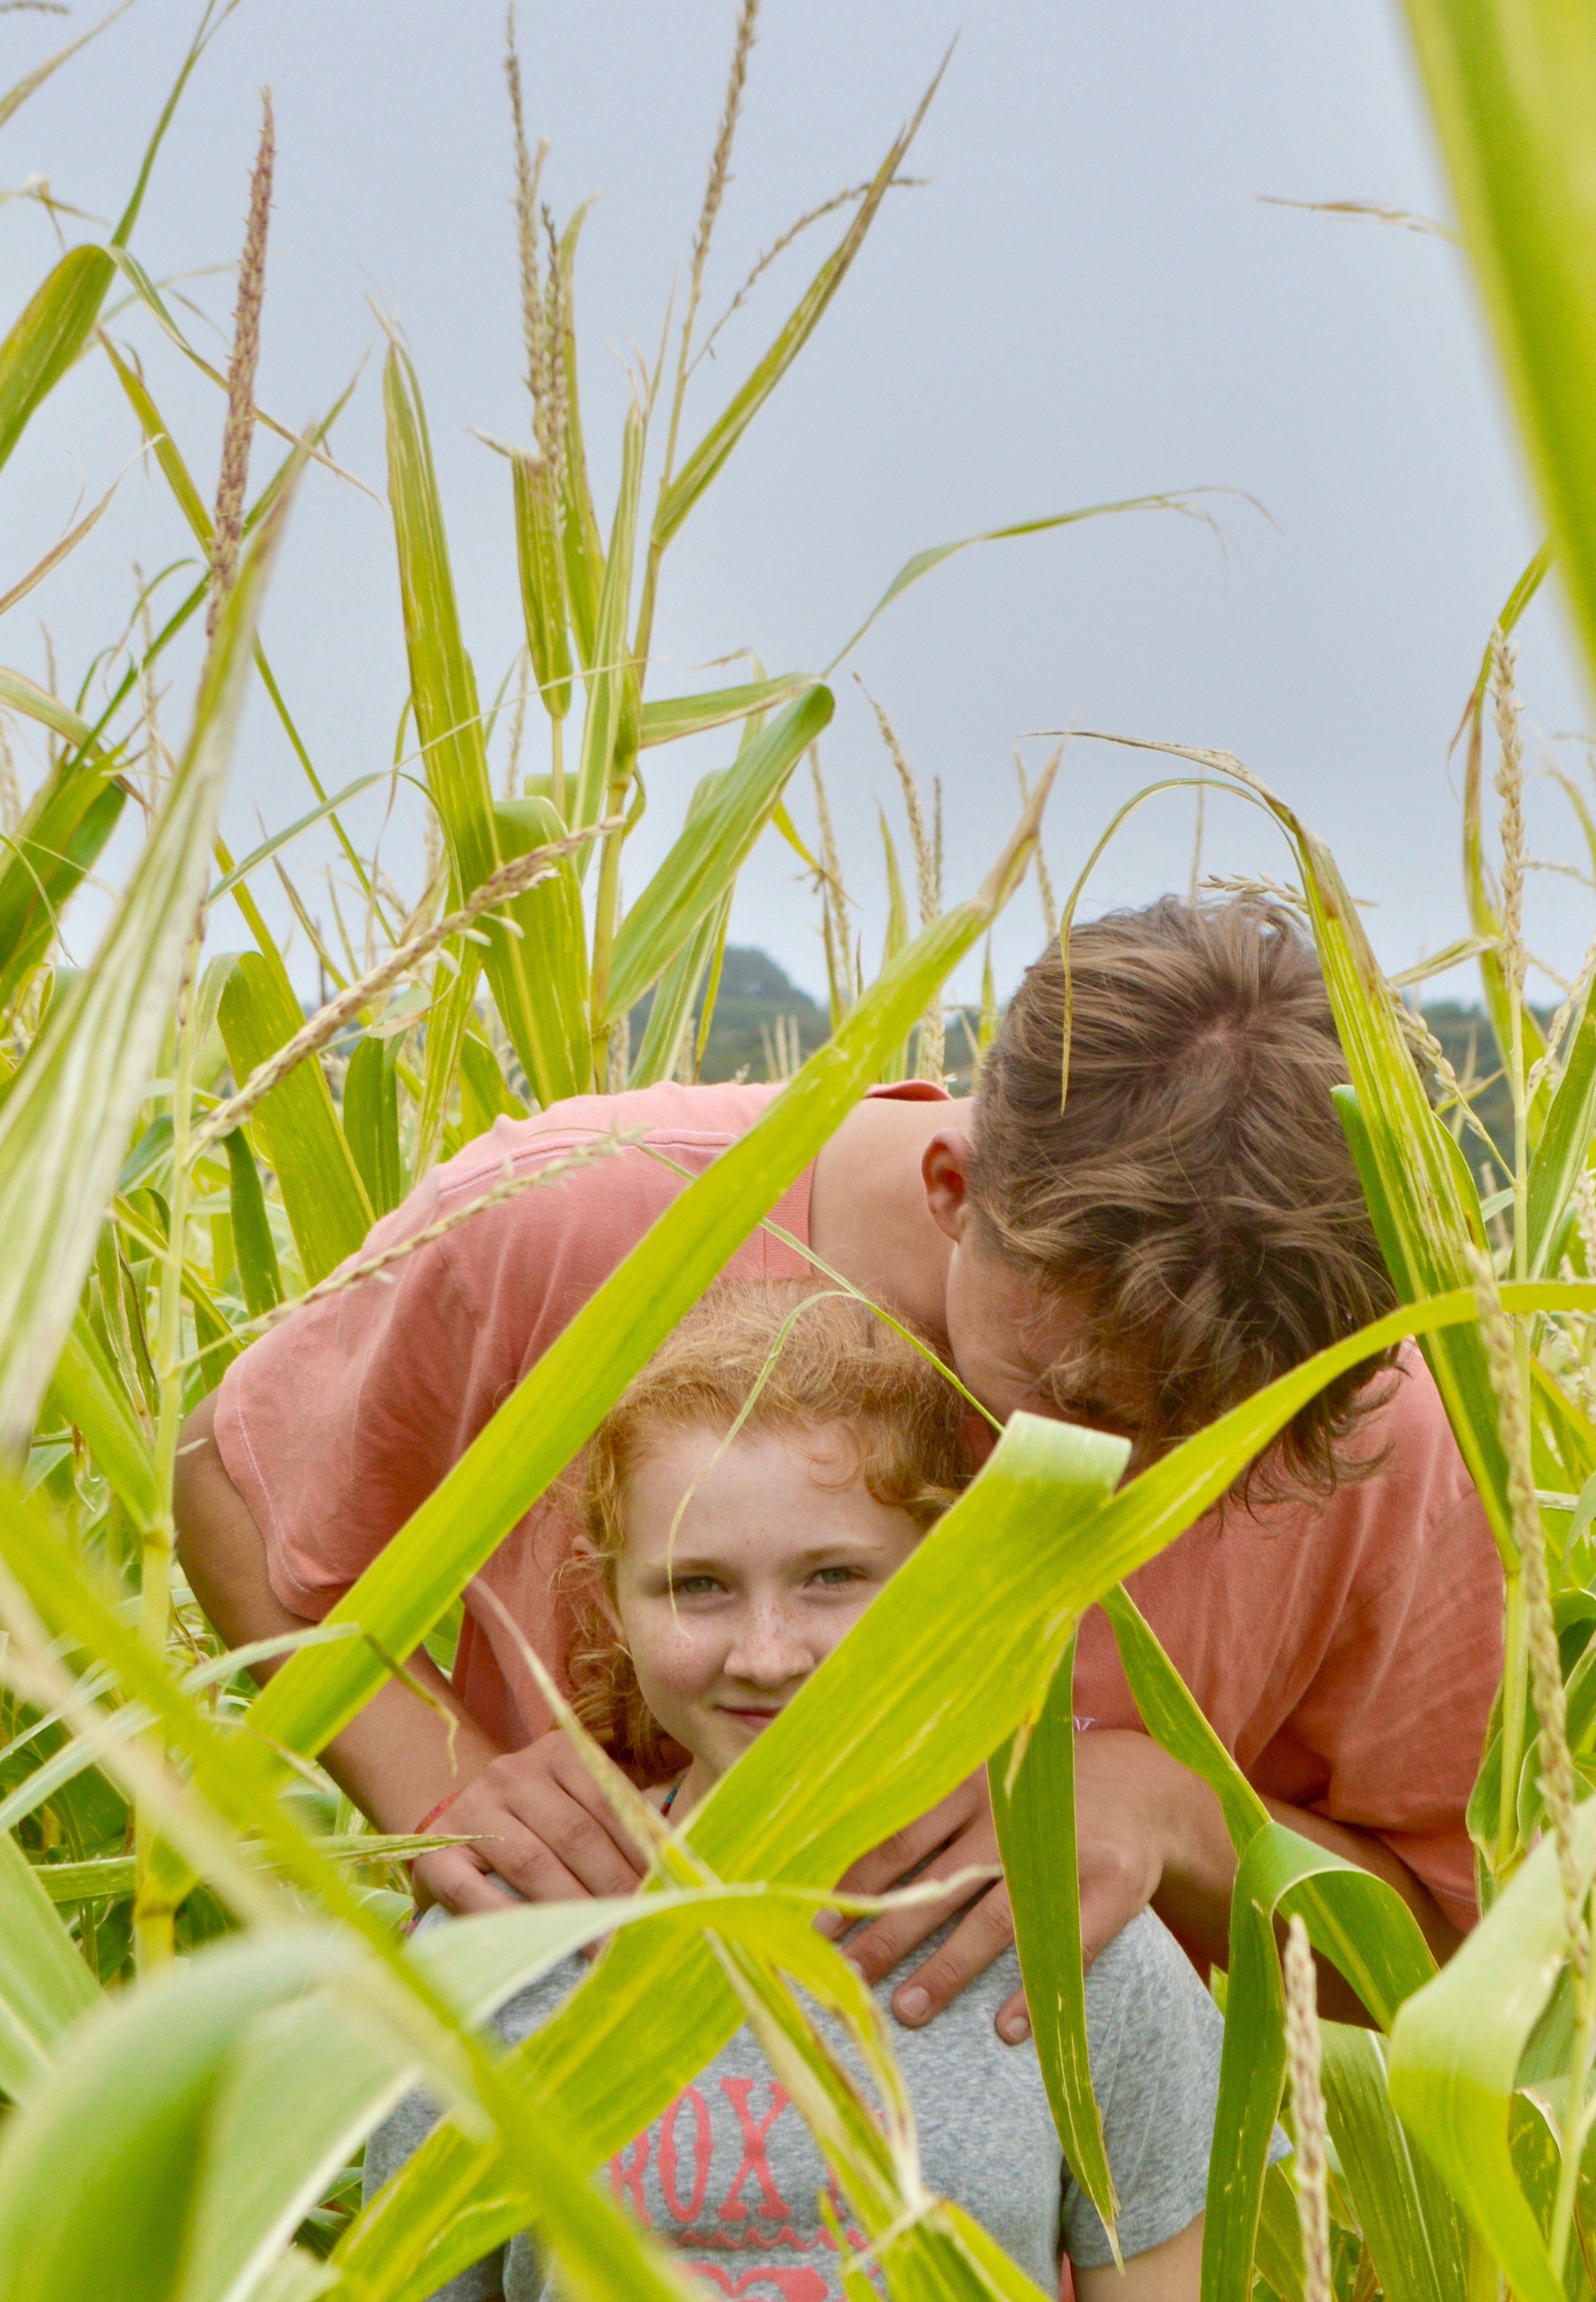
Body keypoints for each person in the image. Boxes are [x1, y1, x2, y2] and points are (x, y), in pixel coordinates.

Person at [176, 892, 1503, 2036]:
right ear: (952, 1186)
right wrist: (444, 1782)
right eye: (1070, 1404)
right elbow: (237, 1483)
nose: (1124, 1485)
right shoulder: (581, 1217)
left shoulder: (1357, 1408)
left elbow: (1440, 1945)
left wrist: (1177, 1817)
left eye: (1212, 1452)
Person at [363, 1285, 1216, 2302]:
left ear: (940, 1581)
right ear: (612, 1598)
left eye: (833, 1578)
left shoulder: (1078, 1946)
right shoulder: (495, 1954)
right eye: (698, 1586)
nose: (767, 1656)